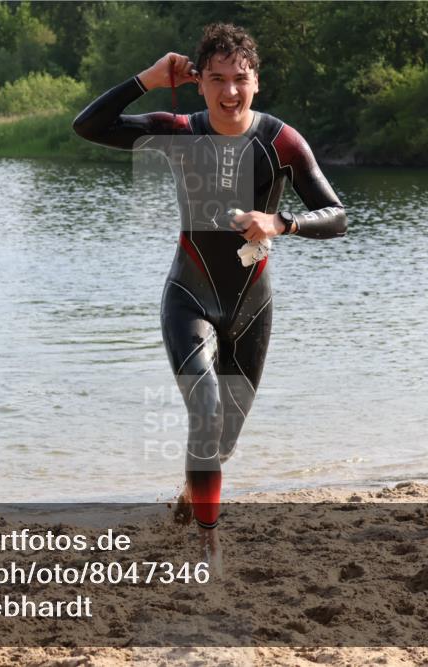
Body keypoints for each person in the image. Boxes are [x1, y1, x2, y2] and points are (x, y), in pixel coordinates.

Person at [73, 24, 347, 562]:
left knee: (222, 440)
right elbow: (88, 126)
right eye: (217, 79)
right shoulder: (179, 130)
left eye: (240, 79)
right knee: (205, 409)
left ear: (256, 81)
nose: (229, 92)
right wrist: (147, 79)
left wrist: (281, 223)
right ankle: (208, 543)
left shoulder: (281, 141)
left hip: (252, 305)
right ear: (199, 83)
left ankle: (191, 495)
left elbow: (336, 217)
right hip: (189, 297)